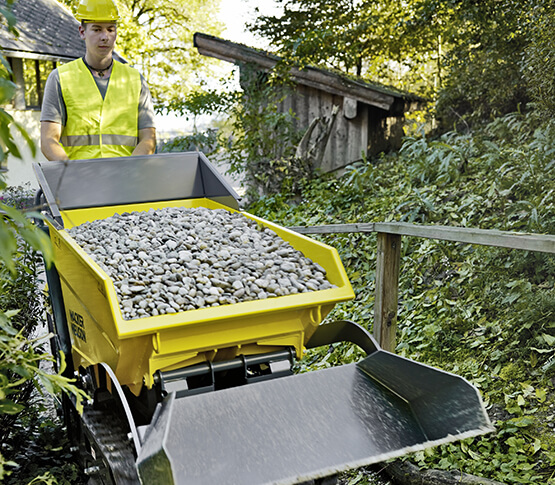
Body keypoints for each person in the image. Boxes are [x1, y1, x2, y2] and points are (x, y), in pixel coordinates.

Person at [40, 0, 156, 161]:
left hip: (126, 179)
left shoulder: (136, 79)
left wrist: (129, 171)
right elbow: (48, 140)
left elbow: (148, 139)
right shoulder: (60, 78)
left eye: (110, 29)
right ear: (82, 32)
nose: (105, 37)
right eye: (97, 29)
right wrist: (72, 175)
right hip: (80, 178)